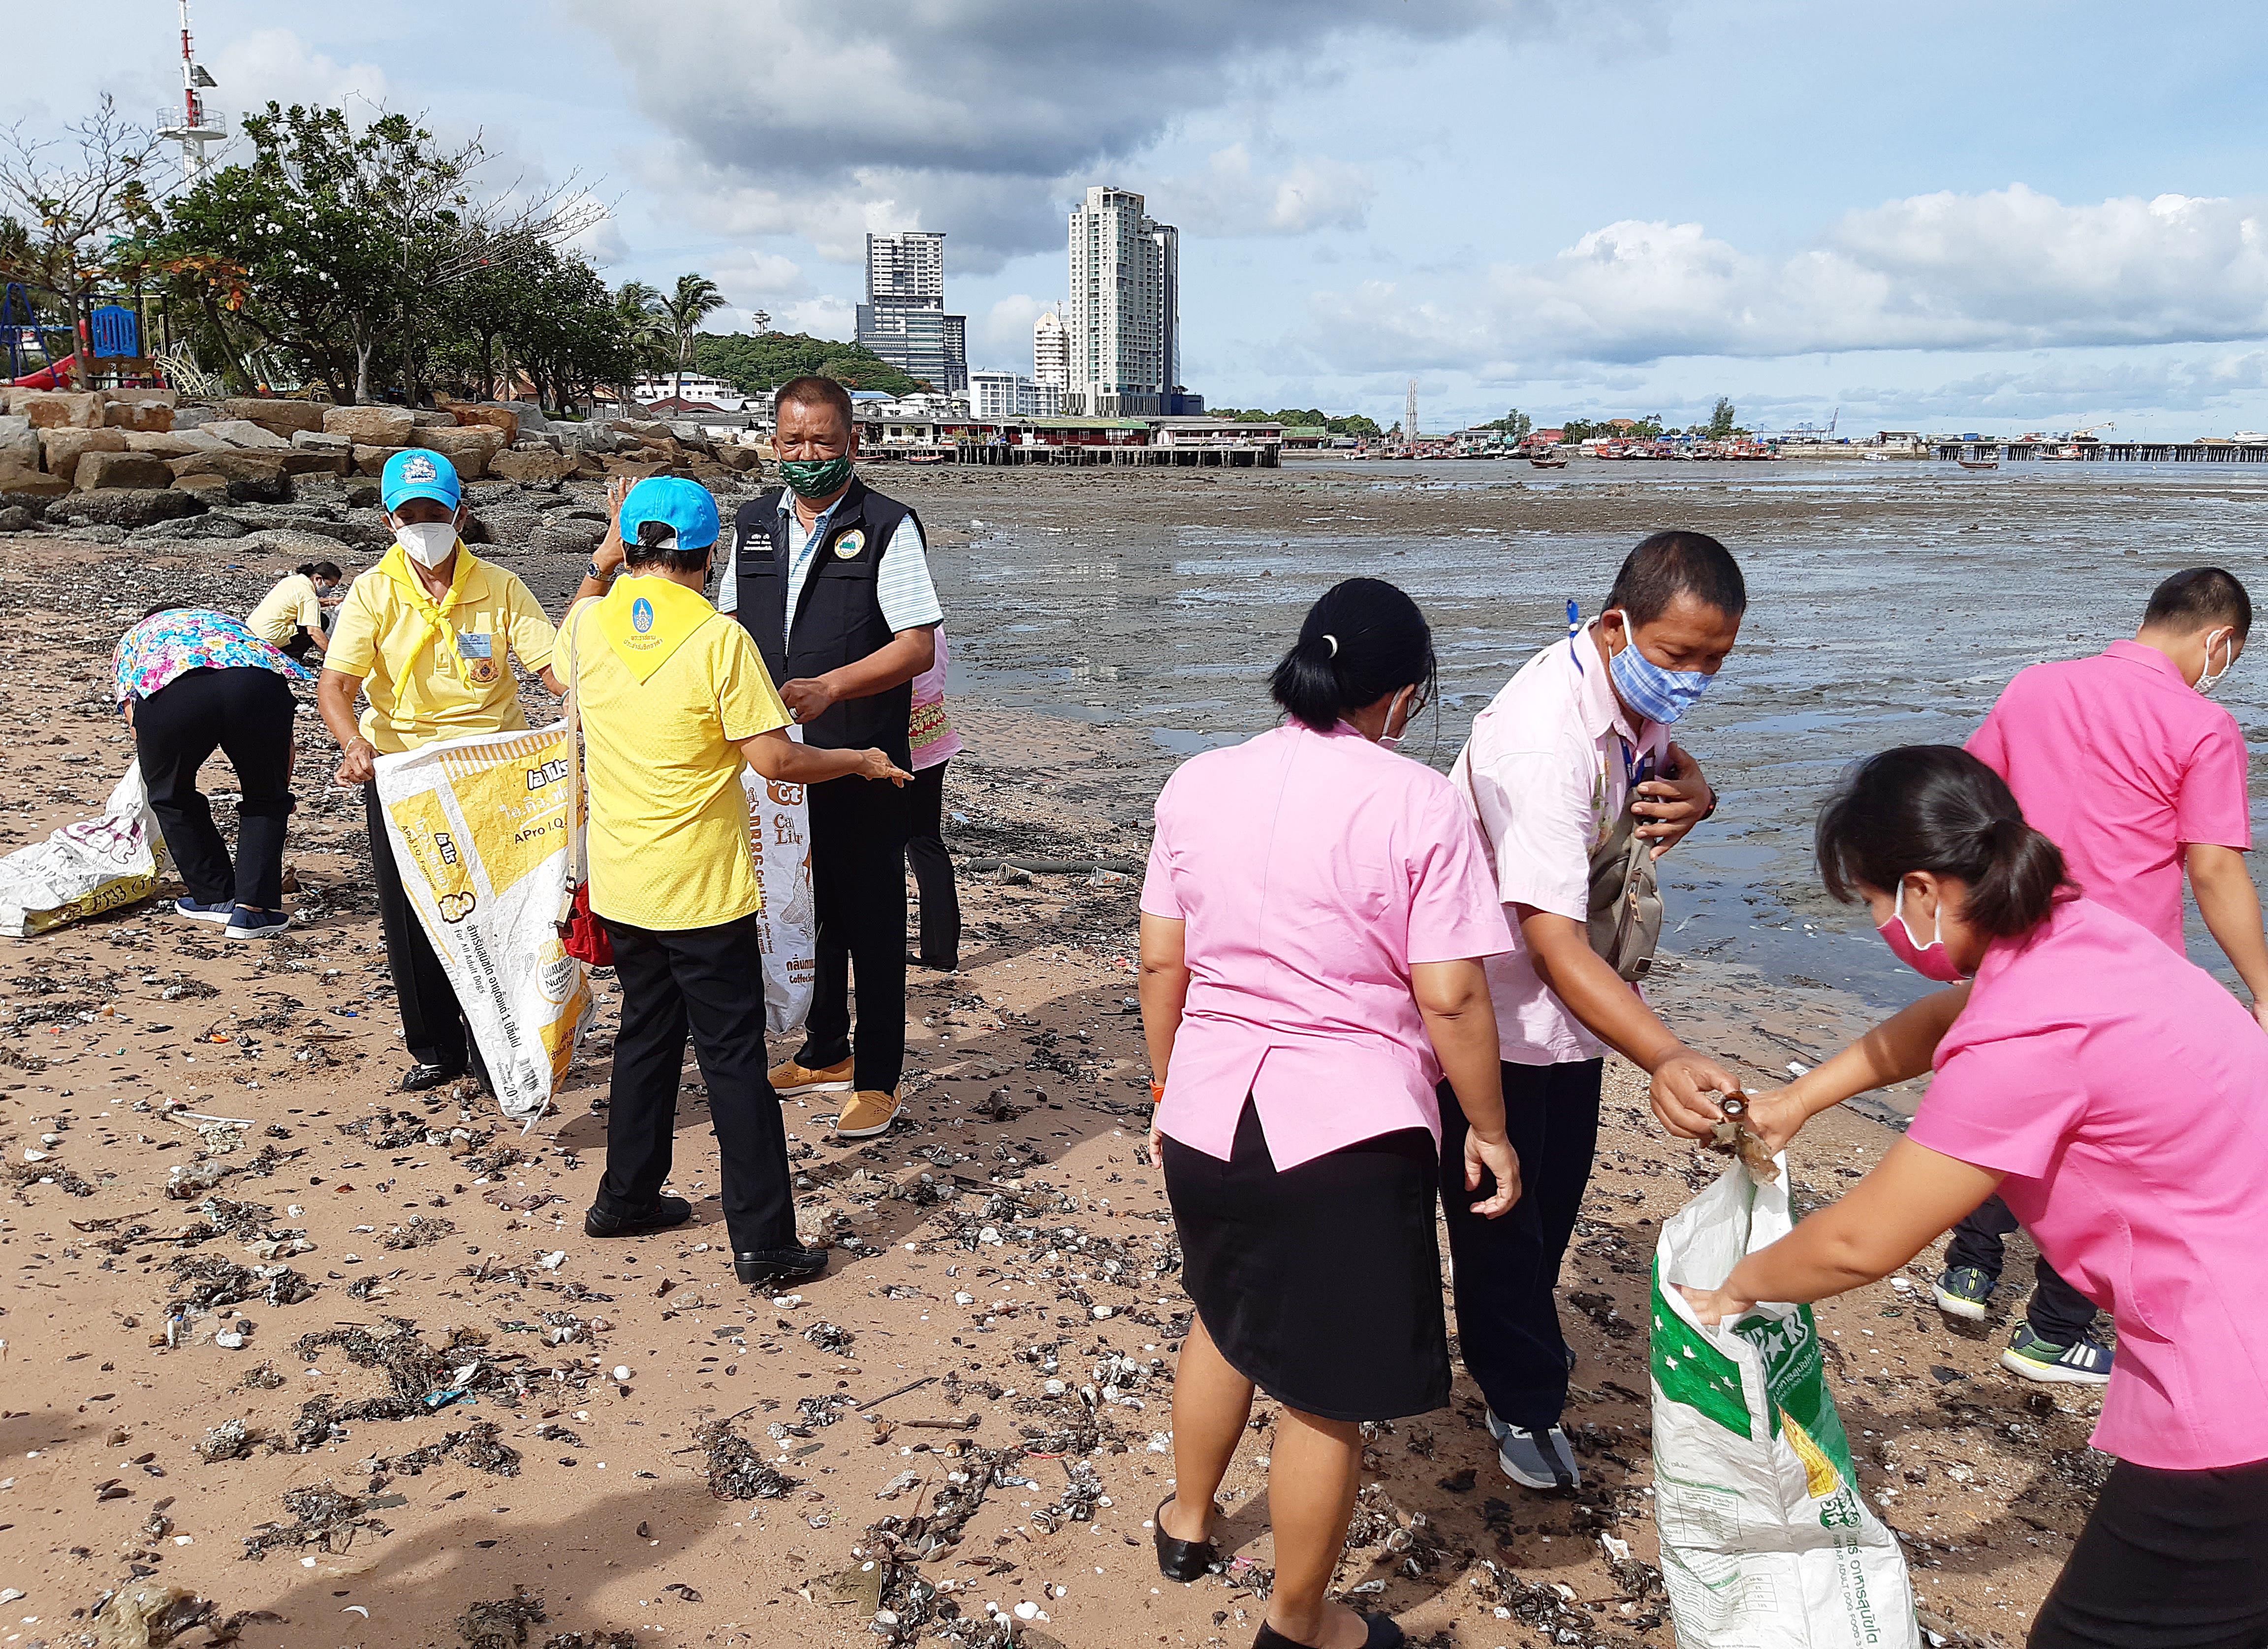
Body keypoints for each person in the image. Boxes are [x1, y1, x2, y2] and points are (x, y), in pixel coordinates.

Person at [1679, 745, 2268, 1649]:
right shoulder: (2081, 938)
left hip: (2236, 1388)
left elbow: (1863, 1243)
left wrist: (1734, 1289)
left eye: (1871, 903)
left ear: (1921, 891)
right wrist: (1797, 1100)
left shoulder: (2028, 1035)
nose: (1879, 924)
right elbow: (1942, 1020)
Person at [1142, 578, 1521, 1649]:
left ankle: (1187, 1521)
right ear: (1402, 696)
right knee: (1324, 1391)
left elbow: (1162, 961)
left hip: (1209, 1109)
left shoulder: (1199, 781)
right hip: (1343, 1129)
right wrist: (1490, 1130)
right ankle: (1301, 1621)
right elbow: (1451, 995)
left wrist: (1168, 1091)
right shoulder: (1416, 800)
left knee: (1223, 1314)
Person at [1446, 530, 1741, 1491]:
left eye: (1716, 661)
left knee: (1554, 1195)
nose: (1694, 679)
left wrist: (1701, 791)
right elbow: (1554, 945)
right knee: (1503, 1209)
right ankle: (1521, 1400)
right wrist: (1668, 1056)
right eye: (1679, 655)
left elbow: (1658, 759)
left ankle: (1516, 1346)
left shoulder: (1618, 686)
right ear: (1616, 627)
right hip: (1490, 1006)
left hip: (1573, 1013)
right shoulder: (1545, 741)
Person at [566, 477, 909, 1288]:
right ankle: (763, 1241)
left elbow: (555, 676)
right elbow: (777, 760)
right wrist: (859, 760)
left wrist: (600, 564)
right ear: (709, 552)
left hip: (623, 880)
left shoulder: (587, 623)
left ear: (630, 545)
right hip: (699, 887)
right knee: (730, 1057)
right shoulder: (718, 639)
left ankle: (625, 1197)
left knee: (646, 1034)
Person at [1930, 567, 2265, 1383]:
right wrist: (2262, 986)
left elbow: (1965, 805)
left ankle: (1968, 1272)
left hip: (2019, 946)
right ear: (2219, 641)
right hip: (2124, 975)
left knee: (2017, 1111)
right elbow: (2214, 869)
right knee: (2110, 1154)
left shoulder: (2035, 686)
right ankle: (2054, 1333)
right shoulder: (2203, 725)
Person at [717, 375, 943, 1139]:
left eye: (823, 440)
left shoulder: (887, 525)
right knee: (801, 910)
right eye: (794, 441)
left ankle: (878, 1077)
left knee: (871, 918)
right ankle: (824, 1049)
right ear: (773, 442)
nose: (808, 455)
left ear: (853, 441)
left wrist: (831, 687)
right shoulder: (753, 524)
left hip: (860, 756)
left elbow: (916, 644)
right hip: (773, 760)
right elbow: (724, 629)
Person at [318, 449, 563, 1092]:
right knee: (413, 914)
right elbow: (336, 686)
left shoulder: (501, 586)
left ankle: (500, 1047)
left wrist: (584, 697)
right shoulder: (373, 591)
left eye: (435, 512)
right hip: (403, 771)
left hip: (491, 768)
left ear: (461, 514)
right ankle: (435, 1047)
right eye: (409, 515)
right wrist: (353, 744)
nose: (422, 525)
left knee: (503, 910)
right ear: (388, 521)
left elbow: (552, 669)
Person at [113, 603, 310, 939]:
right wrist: (280, 791)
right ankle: (252, 912)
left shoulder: (137, 637)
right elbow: (285, 742)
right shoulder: (226, 625)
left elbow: (135, 720)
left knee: (171, 796)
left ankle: (214, 895)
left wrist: (161, 770)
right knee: (265, 797)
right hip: (255, 684)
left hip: (172, 691)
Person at [906, 620, 963, 971]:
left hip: (902, 744)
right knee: (925, 842)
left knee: (893, 845)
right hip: (934, 735)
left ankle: (879, 940)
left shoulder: (893, 629)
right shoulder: (934, 627)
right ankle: (941, 947)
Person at [248, 561, 343, 662]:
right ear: (318, 579)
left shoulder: (294, 580)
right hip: (269, 637)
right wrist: (333, 656)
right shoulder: (309, 596)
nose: (329, 591)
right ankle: (292, 656)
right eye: (329, 587)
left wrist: (331, 601)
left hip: (253, 630)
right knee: (322, 620)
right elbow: (314, 631)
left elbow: (301, 603)